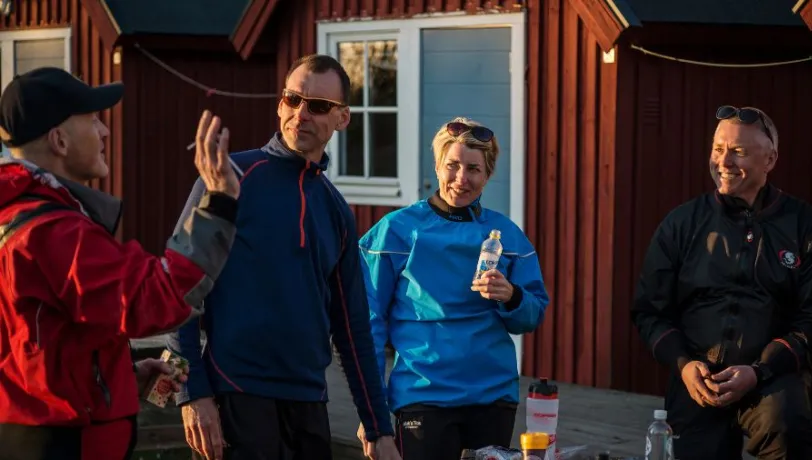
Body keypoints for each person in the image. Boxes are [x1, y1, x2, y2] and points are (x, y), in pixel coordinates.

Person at [168, 54, 401, 460]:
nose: (301, 114)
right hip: (234, 397)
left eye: (318, 106)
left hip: (309, 405)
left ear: (342, 118)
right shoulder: (229, 179)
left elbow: (353, 330)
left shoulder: (336, 211)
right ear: (280, 105)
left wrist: (379, 428)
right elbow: (177, 290)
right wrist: (192, 394)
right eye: (293, 99)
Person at [0, 67, 240, 460]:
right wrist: (219, 201)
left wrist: (123, 376)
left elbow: (34, 348)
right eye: (93, 120)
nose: (105, 132)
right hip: (62, 445)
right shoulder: (55, 233)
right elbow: (158, 295)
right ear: (60, 141)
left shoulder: (15, 216)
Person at [355, 117, 550, 460]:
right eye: (452, 165)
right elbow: (366, 322)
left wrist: (512, 296)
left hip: (493, 396)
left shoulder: (507, 236)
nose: (461, 178)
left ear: (488, 174)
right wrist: (371, 410)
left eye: (473, 169)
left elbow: (531, 317)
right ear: (437, 165)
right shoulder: (396, 231)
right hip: (423, 395)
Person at [631, 105, 812, 460]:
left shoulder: (805, 226)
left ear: (770, 160)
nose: (724, 161)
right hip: (698, 379)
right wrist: (684, 365)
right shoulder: (681, 223)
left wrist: (760, 371)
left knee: (788, 429)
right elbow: (649, 311)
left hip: (771, 378)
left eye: (739, 152)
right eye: (718, 149)